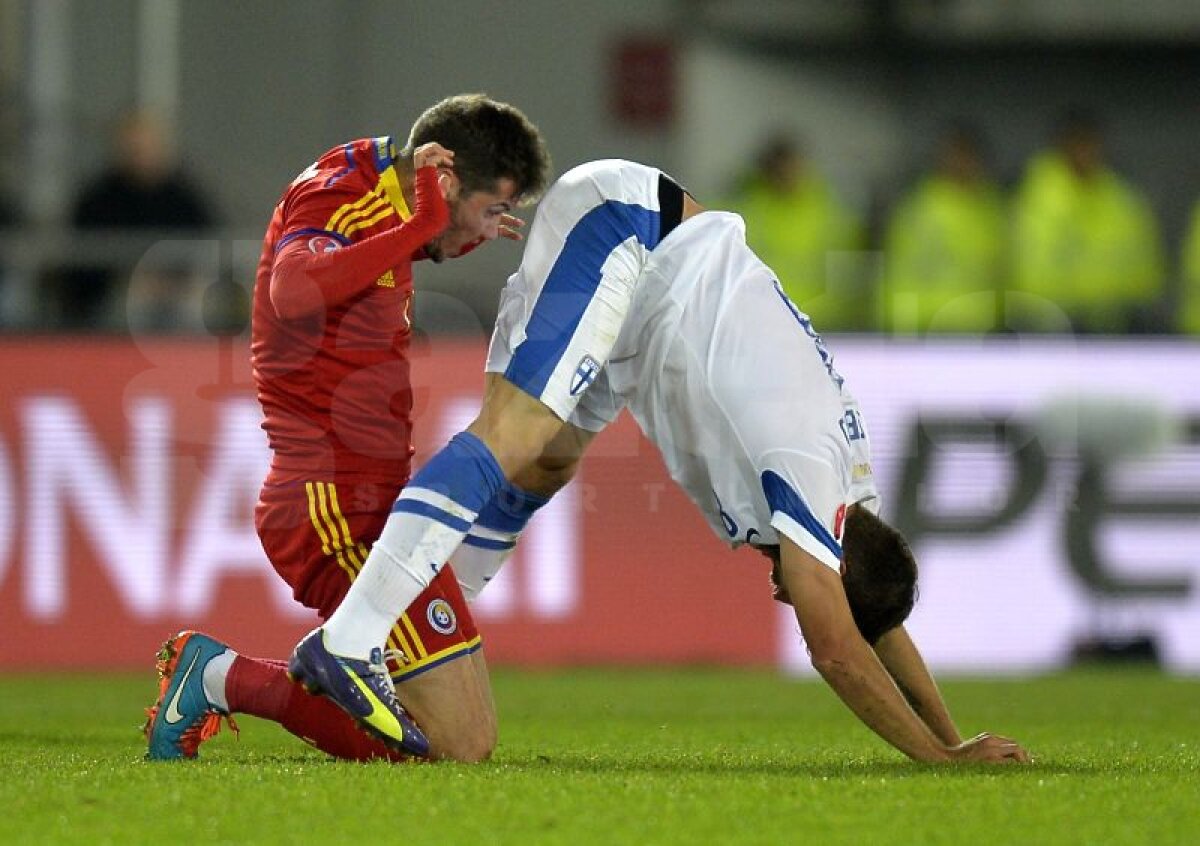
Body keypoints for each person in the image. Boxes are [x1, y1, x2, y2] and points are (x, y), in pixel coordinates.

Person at [290, 158, 1031, 765]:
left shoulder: (851, 495)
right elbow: (838, 648)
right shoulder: (807, 472)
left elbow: (873, 617)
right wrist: (939, 763)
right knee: (513, 433)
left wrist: (953, 736)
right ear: (835, 569)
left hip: (647, 308)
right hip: (629, 232)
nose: (786, 599)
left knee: (544, 464)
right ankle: (357, 635)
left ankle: (400, 643)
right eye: (804, 595)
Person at [143, 94, 552, 762]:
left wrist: (435, 229)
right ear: (447, 179)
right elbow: (293, 289)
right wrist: (425, 226)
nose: (492, 229)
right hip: (331, 505)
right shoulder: (342, 197)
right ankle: (219, 676)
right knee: (455, 746)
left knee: (466, 735)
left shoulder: (377, 187)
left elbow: (362, 266)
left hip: (376, 503)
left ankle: (218, 675)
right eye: (491, 209)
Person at [62, 110, 218, 331]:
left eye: (147, 145)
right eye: (133, 146)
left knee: (196, 299)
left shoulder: (186, 197)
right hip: (118, 296)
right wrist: (130, 279)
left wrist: (170, 282)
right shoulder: (97, 200)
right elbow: (82, 264)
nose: (141, 153)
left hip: (179, 290)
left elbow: (210, 245)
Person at [1011, 110, 1165, 334]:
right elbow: (1028, 267)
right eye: (1078, 143)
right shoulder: (1035, 197)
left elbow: (1145, 264)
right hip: (1052, 323)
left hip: (1118, 322)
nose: (1085, 152)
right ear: (1061, 146)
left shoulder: (1122, 198)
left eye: (1091, 144)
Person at [723, 133, 863, 331]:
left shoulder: (832, 216)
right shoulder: (742, 214)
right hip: (758, 324)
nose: (786, 173)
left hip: (824, 324)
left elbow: (847, 278)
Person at [880, 123, 1007, 334]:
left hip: (979, 328)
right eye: (956, 156)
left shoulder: (992, 210)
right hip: (927, 326)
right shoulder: (920, 211)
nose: (963, 164)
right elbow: (899, 275)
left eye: (968, 157)